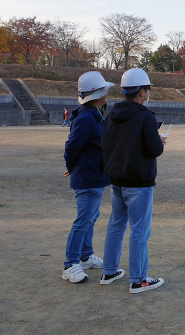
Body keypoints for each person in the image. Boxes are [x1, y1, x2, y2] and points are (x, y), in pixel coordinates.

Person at [101, 68, 167, 293]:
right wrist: (159, 140)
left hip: (117, 179)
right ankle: (139, 280)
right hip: (139, 181)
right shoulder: (145, 116)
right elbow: (155, 149)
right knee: (139, 230)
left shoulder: (112, 114)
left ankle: (109, 271)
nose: (148, 94)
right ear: (141, 91)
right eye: (147, 90)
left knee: (116, 225)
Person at [62, 72, 114, 283]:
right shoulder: (86, 117)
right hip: (87, 176)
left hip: (95, 175)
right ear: (98, 94)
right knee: (83, 220)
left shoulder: (94, 115)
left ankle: (85, 255)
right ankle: (70, 264)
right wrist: (71, 166)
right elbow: (72, 146)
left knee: (90, 218)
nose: (107, 96)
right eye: (105, 92)